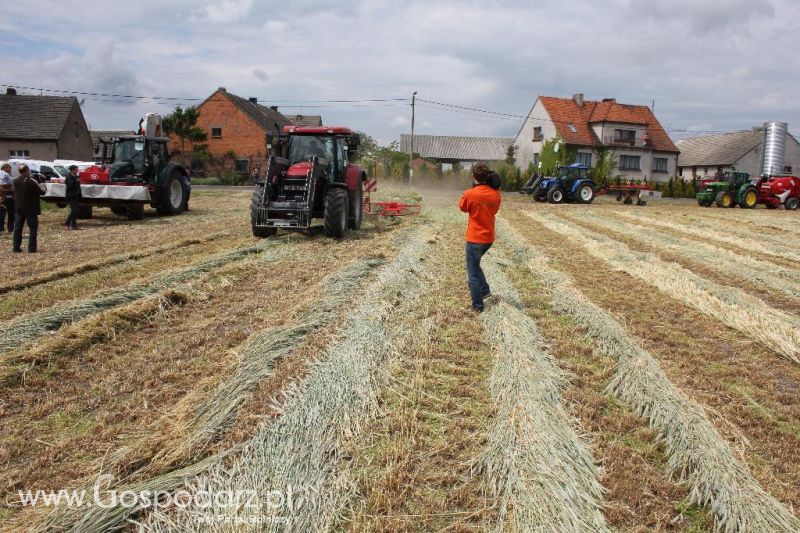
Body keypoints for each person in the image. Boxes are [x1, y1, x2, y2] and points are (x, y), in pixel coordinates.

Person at [458, 162, 502, 312]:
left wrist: (472, 191)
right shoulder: (496, 194)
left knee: (472, 274)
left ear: (473, 176)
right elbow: (494, 210)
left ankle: (478, 306)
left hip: (475, 239)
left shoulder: (469, 194)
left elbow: (463, 208)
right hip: (488, 239)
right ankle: (485, 291)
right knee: (475, 265)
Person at [12, 164, 46, 253]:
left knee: (18, 228)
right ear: (27, 170)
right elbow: (42, 192)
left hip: (19, 208)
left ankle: (16, 247)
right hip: (30, 208)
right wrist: (42, 183)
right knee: (33, 229)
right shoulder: (31, 181)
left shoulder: (15, 180)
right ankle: (31, 248)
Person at [63, 165, 82, 230]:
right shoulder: (69, 176)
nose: (77, 170)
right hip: (71, 196)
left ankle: (74, 225)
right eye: (76, 169)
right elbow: (70, 186)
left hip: (76, 196)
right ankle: (67, 223)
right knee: (74, 210)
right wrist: (76, 181)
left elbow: (78, 186)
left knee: (76, 211)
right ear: (72, 170)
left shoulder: (76, 176)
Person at [0, 162, 14, 233]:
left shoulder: (8, 175)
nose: (11, 169)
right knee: (3, 214)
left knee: (9, 214)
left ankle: (5, 229)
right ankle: (7, 229)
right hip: (5, 198)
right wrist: (11, 188)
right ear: (5, 168)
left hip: (8, 197)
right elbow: (2, 186)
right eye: (9, 167)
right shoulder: (4, 174)